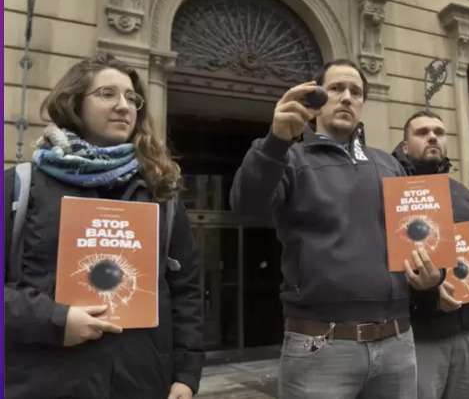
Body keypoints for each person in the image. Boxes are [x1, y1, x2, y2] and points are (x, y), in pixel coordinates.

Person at [229, 59, 441, 399]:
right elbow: (247, 205)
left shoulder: (390, 166)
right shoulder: (288, 157)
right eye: (336, 89)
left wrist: (435, 277)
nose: (346, 97)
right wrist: (274, 143)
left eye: (355, 92)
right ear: (316, 101)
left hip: (397, 343)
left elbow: (423, 239)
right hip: (320, 345)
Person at [3, 53, 204, 399]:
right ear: (74, 103)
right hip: (42, 383)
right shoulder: (19, 186)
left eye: (131, 97)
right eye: (107, 94)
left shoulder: (161, 194)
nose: (124, 106)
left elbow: (185, 292)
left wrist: (186, 374)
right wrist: (54, 320)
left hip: (142, 384)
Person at [391, 111, 469, 399]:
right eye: (422, 132)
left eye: (439, 132)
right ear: (405, 145)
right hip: (420, 332)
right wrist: (430, 291)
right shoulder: (391, 190)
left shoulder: (464, 194)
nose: (433, 137)